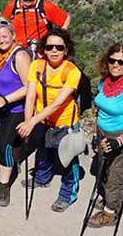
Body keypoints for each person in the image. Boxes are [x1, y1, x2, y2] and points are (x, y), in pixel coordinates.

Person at [16, 28, 83, 212]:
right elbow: (30, 95)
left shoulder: (72, 71)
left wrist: (31, 122)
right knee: (43, 151)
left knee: (68, 160)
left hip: (65, 122)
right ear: (43, 49)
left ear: (66, 50)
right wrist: (28, 121)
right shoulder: (36, 66)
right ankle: (42, 177)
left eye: (59, 47)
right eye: (49, 47)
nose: (54, 51)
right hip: (43, 121)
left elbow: (57, 104)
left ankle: (68, 194)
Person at [85, 43, 123, 228]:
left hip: (120, 136)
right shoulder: (104, 81)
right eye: (112, 60)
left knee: (116, 175)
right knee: (104, 169)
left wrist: (118, 141)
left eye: (122, 62)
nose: (116, 65)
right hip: (102, 133)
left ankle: (110, 214)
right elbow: (99, 111)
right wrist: (96, 134)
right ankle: (111, 200)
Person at [0, 18, 31, 206]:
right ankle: (13, 161)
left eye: (5, 36)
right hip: (0, 107)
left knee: (3, 143)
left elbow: (29, 87)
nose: (1, 40)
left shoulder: (19, 56)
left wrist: (6, 99)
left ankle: (4, 184)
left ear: (13, 36)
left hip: (16, 108)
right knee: (9, 140)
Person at [1, 0, 70, 58]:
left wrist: (57, 39)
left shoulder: (45, 6)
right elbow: (1, 25)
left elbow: (66, 19)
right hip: (16, 51)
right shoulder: (12, 6)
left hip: (40, 52)